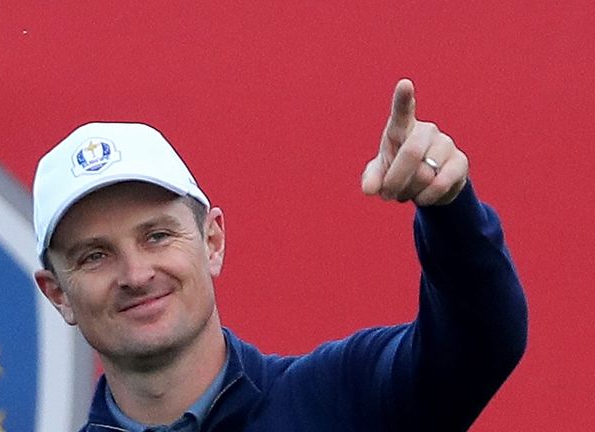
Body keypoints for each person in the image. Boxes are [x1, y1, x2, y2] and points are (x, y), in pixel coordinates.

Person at [32, 79, 528, 431]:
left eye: (157, 236)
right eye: (95, 256)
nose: (136, 274)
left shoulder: (344, 397)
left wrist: (449, 210)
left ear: (212, 242)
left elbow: (481, 344)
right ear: (58, 293)